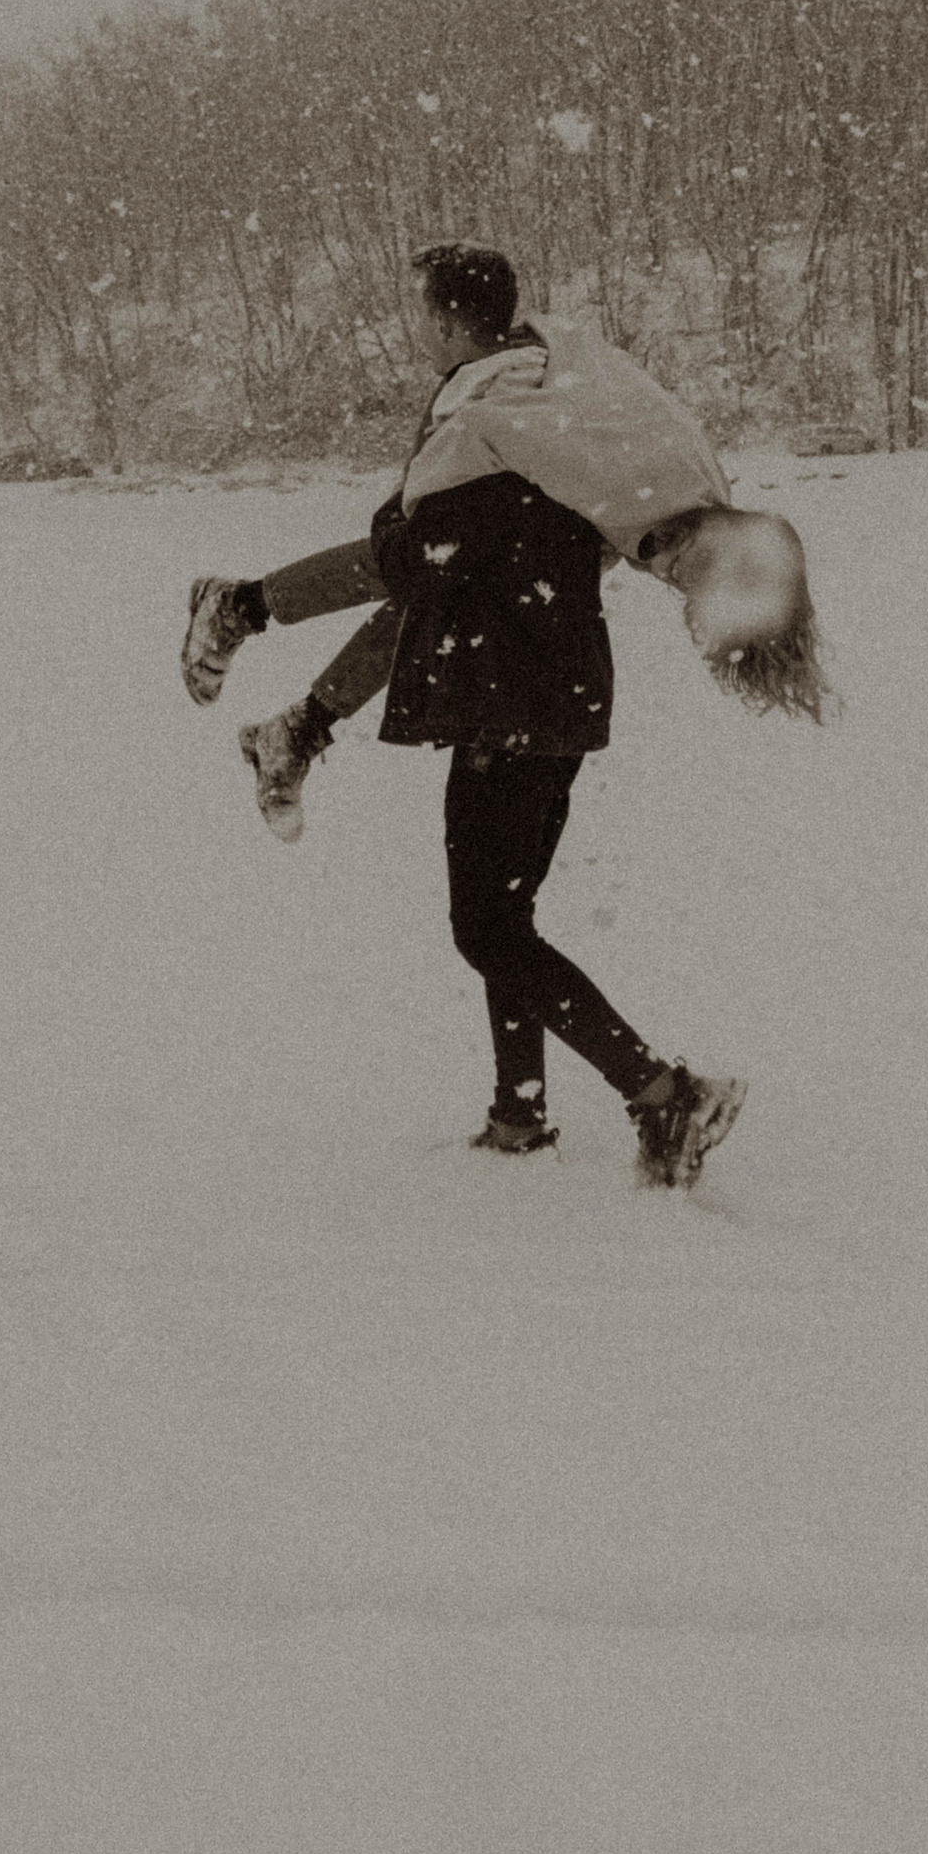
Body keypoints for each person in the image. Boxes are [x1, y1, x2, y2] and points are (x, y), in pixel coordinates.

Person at [184, 244, 754, 1187]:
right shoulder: (561, 418)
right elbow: (452, 563)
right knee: (508, 916)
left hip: (508, 698)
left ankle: (664, 1095)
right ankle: (519, 1113)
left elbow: (408, 558)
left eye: (423, 314)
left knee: (487, 930)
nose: (421, 330)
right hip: (565, 689)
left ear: (448, 321)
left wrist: (279, 598)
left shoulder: (481, 429)